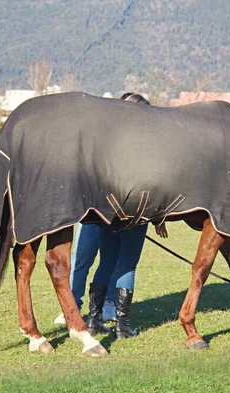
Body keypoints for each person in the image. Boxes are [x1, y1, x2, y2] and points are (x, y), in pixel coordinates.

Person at [55, 93, 168, 339]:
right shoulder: (148, 146)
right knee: (127, 265)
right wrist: (159, 216)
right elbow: (155, 182)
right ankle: (122, 325)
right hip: (136, 211)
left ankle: (94, 320)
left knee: (105, 262)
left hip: (106, 211)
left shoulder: (106, 140)